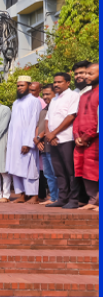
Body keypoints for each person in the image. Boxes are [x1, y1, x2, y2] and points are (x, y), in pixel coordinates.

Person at [45, 73, 81, 209]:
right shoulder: (54, 99)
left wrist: (53, 133)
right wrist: (49, 135)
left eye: (59, 82)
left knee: (70, 171)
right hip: (53, 140)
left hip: (67, 139)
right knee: (59, 171)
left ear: (68, 83)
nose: (56, 84)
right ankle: (62, 198)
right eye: (55, 82)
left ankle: (73, 200)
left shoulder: (73, 96)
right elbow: (47, 119)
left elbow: (71, 116)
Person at [6, 77, 42, 204]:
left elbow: (34, 122)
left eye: (22, 85)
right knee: (16, 169)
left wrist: (28, 143)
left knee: (29, 168)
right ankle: (21, 195)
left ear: (29, 85)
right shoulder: (16, 102)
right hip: (14, 143)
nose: (19, 88)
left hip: (27, 142)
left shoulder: (34, 101)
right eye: (18, 86)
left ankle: (33, 196)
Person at [74, 63, 99, 210]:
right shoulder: (84, 95)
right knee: (85, 170)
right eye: (86, 73)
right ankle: (92, 201)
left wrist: (87, 137)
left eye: (91, 74)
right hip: (82, 141)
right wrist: (77, 135)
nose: (86, 76)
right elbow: (77, 117)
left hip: (95, 139)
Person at [35, 84, 57, 205]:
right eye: (43, 94)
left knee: (56, 173)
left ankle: (58, 197)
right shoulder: (44, 110)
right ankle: (53, 197)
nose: (45, 97)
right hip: (44, 147)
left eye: (48, 94)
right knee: (48, 174)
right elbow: (39, 126)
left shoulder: (57, 108)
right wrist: (37, 140)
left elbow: (53, 126)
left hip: (54, 146)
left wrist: (39, 137)